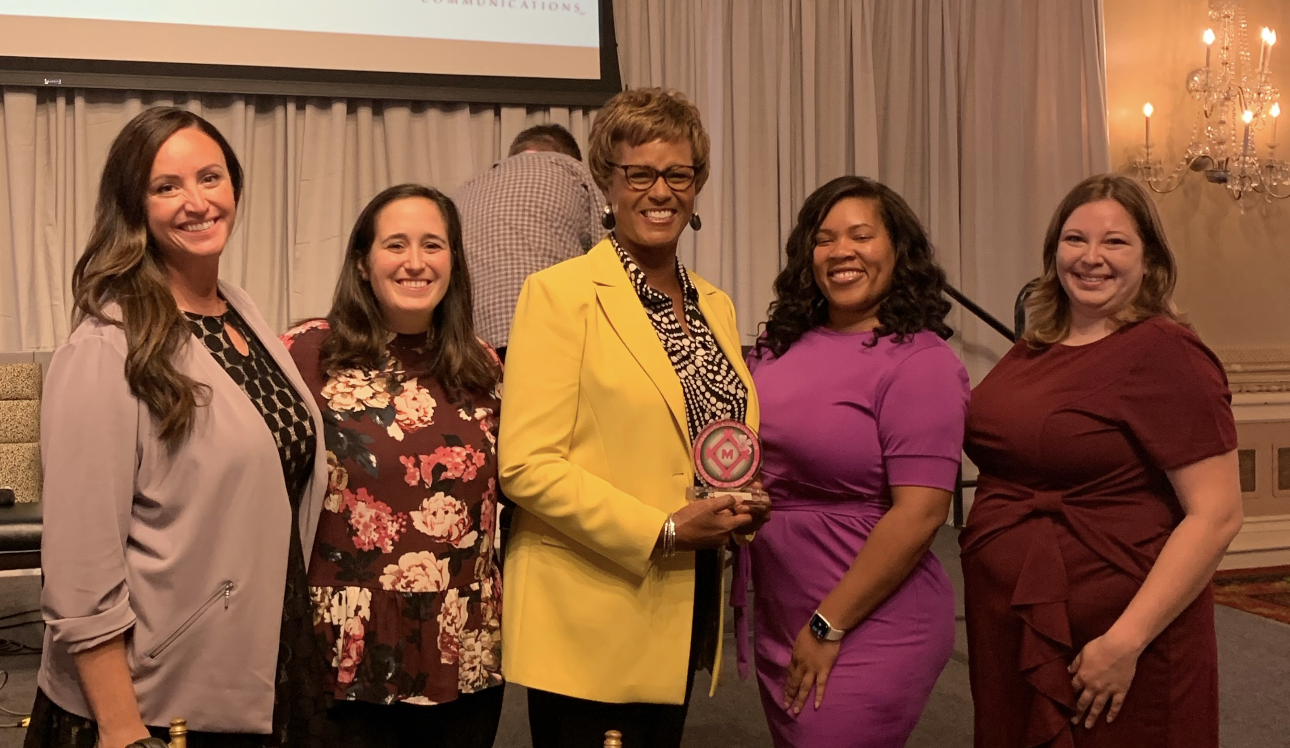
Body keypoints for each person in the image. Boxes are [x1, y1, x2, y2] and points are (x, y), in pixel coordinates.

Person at [27, 107, 329, 748]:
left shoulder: (239, 312)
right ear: (134, 207)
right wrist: (121, 727)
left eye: (211, 178)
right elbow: (80, 567)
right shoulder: (107, 347)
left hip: (264, 658)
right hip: (155, 704)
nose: (196, 202)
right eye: (167, 187)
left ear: (236, 188)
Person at [497, 87, 769, 748]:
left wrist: (740, 504)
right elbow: (526, 466)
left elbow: (708, 438)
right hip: (590, 619)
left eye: (678, 174)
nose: (661, 191)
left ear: (697, 183)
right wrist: (667, 528)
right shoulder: (559, 295)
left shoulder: (716, 305)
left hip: (679, 610)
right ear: (606, 183)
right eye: (639, 174)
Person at [960, 174, 1243, 748]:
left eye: (1115, 242)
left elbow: (1216, 515)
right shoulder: (1034, 346)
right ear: (1053, 253)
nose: (1091, 258)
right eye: (1074, 240)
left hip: (1120, 636)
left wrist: (1125, 642)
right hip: (1013, 620)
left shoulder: (1165, 351)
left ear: (1150, 260)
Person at [740, 176, 968, 747]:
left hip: (865, 616)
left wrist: (828, 622)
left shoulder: (920, 362)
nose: (842, 250)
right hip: (782, 607)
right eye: (825, 238)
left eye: (861, 235)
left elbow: (921, 513)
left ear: (898, 250)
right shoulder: (781, 344)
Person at [281, 184, 505, 748]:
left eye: (433, 245)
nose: (415, 262)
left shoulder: (483, 365)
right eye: (395, 245)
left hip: (463, 647)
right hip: (343, 649)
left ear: (453, 259)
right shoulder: (307, 354)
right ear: (362, 262)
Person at [457, 122, 606, 361]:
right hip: (553, 340)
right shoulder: (574, 172)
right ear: (570, 156)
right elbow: (611, 260)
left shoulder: (466, 188)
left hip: (474, 350)